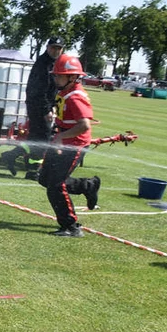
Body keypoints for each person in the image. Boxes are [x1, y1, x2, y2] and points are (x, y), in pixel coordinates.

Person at [37, 54, 101, 237]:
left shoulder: (75, 97)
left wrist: (61, 137)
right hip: (63, 140)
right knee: (44, 178)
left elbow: (84, 125)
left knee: (55, 185)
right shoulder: (64, 91)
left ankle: (71, 226)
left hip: (74, 145)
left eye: (59, 75)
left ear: (72, 77)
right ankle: (87, 186)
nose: (55, 78)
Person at [22, 36, 64, 177]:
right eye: (53, 48)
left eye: (58, 48)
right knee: (41, 137)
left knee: (37, 136)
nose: (55, 51)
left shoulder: (53, 63)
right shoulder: (43, 64)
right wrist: (46, 109)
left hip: (41, 105)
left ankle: (14, 157)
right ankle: (33, 171)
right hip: (38, 106)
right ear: (47, 47)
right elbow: (40, 90)